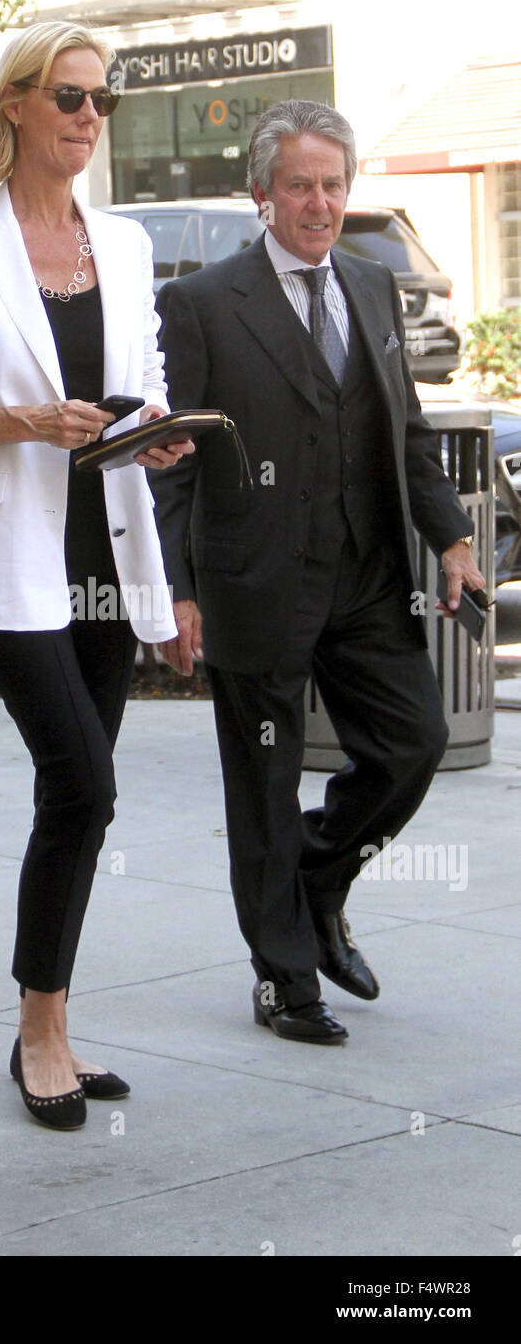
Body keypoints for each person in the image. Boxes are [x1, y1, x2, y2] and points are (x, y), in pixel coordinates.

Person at [0, 21, 192, 1129]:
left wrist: (156, 431)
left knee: (73, 800)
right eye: (69, 97)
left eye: (100, 102)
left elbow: (143, 381)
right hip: (8, 554)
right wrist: (12, 422)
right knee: (87, 785)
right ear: (13, 105)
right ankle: (35, 1031)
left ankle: (50, 1020)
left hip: (104, 546)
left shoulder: (121, 242)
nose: (87, 119)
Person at [150, 100, 485, 1046]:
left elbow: (406, 431)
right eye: (298, 186)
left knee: (411, 744)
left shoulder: (373, 289)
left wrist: (450, 538)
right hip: (254, 581)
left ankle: (317, 874)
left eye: (333, 185)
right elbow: (173, 464)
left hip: (365, 575)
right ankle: (285, 978)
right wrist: (175, 590)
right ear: (262, 195)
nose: (319, 203)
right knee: (261, 780)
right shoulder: (205, 303)